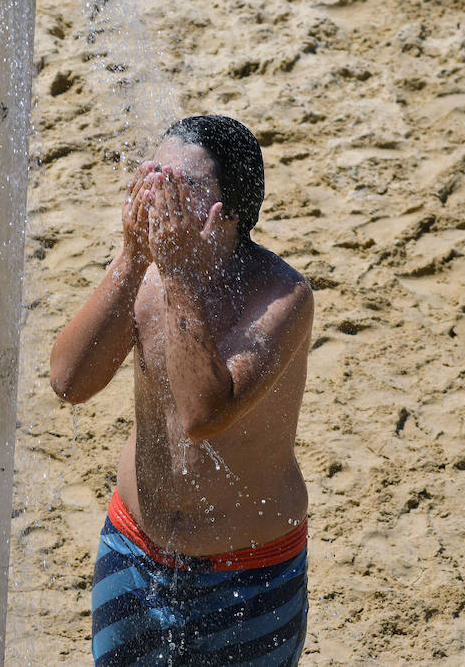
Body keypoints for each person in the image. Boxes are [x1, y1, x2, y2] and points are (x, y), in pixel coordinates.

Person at [50, 115, 313, 665]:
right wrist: (129, 257)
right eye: (153, 176)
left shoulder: (282, 297)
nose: (158, 197)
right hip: (134, 549)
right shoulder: (147, 271)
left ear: (230, 213)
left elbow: (204, 414)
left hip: (250, 571)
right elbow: (70, 382)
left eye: (179, 187)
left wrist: (178, 277)